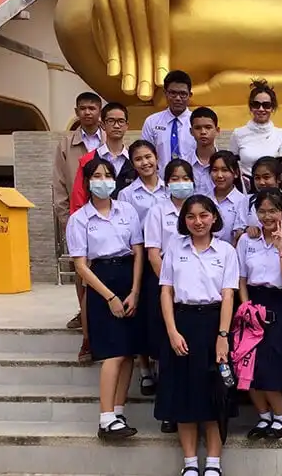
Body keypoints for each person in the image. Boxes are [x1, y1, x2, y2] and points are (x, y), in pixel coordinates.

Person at [156, 194, 238, 476]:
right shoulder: (174, 247)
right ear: (184, 220)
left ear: (214, 217)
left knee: (214, 394)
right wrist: (171, 331)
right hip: (181, 322)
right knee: (184, 395)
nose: (198, 221)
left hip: (214, 323)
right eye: (191, 216)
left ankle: (213, 463)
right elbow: (166, 291)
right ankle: (190, 463)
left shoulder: (227, 251)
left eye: (204, 215)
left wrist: (223, 335)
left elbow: (228, 295)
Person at [66, 157, 144, 441]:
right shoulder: (79, 219)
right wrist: (110, 296)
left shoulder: (127, 211)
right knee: (113, 353)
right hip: (101, 284)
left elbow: (138, 252)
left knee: (128, 353)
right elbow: (81, 265)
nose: (103, 180)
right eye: (96, 175)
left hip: (128, 279)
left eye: (107, 174)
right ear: (87, 182)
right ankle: (105, 417)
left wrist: (135, 291)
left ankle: (119, 412)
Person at [237, 188, 282, 440]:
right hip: (252, 304)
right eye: (262, 211)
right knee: (248, 366)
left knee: (271, 366)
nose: (267, 217)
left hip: (279, 305)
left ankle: (281, 418)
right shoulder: (247, 240)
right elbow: (241, 278)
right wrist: (246, 308)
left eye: (273, 211)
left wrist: (281, 249)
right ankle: (263, 417)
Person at [143, 158, 196, 434]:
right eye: (174, 178)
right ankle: (170, 411)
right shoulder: (157, 211)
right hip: (166, 288)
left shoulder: (198, 208)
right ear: (167, 182)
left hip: (196, 292)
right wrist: (171, 285)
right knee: (168, 352)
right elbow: (153, 253)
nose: (180, 182)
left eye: (185, 177)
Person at [52, 91, 104, 356]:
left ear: (99, 111)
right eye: (82, 108)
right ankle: (85, 323)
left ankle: (101, 320)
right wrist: (67, 221)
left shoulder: (111, 141)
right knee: (81, 273)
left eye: (92, 108)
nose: (87, 113)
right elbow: (59, 186)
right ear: (77, 111)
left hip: (107, 219)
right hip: (78, 217)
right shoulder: (66, 145)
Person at [117, 140, 169, 398]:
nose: (145, 163)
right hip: (142, 260)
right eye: (138, 159)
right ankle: (146, 368)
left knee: (163, 315)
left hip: (168, 261)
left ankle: (163, 367)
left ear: (157, 157)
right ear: (133, 163)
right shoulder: (127, 194)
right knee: (146, 316)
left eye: (148, 157)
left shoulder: (169, 188)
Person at [70, 103, 138, 215]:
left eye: (121, 121)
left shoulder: (135, 160)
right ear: (103, 125)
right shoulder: (88, 159)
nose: (116, 126)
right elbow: (79, 197)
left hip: (128, 222)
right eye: (111, 121)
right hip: (95, 222)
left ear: (127, 125)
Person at [141, 70, 199, 174]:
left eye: (183, 94)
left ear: (190, 95)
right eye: (173, 93)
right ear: (165, 93)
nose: (177, 98)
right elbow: (144, 155)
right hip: (160, 184)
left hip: (192, 183)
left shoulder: (198, 123)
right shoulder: (152, 122)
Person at [230, 80, 282, 177]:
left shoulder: (281, 134)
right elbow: (231, 165)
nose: (261, 109)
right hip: (246, 188)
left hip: (272, 189)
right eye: (256, 104)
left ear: (272, 108)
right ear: (251, 107)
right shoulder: (238, 134)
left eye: (266, 105)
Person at [246, 156, 282, 234]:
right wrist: (247, 229)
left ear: (279, 178)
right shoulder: (247, 201)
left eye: (266, 177)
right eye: (257, 178)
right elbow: (239, 230)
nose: (261, 182)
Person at [208, 151, 249, 245]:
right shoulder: (204, 200)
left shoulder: (243, 202)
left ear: (236, 173)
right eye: (215, 170)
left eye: (225, 170)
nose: (219, 175)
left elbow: (240, 236)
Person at [189, 107, 220, 198]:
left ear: (217, 130)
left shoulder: (228, 163)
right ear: (191, 131)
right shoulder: (184, 164)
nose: (203, 132)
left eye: (208, 127)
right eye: (198, 128)